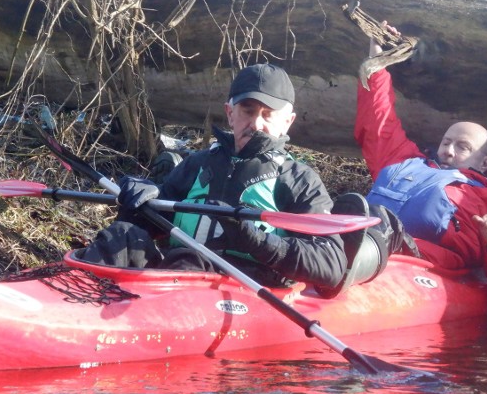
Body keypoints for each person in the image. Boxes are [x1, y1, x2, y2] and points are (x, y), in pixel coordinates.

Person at [82, 63, 348, 289]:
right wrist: (136, 203)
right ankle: (72, 303)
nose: (256, 123)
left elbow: (331, 264)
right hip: (178, 276)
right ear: (230, 114)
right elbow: (155, 225)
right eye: (248, 110)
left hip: (246, 289)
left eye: (267, 114)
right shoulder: (197, 164)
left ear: (287, 121)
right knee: (122, 234)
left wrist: (255, 239)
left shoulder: (299, 180)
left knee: (189, 261)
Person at [354, 24, 487, 314]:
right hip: (361, 243)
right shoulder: (406, 162)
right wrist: (377, 61)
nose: (449, 150)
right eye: (446, 141)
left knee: (376, 230)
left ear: (485, 163)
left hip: (418, 260)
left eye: (463, 147)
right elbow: (378, 122)